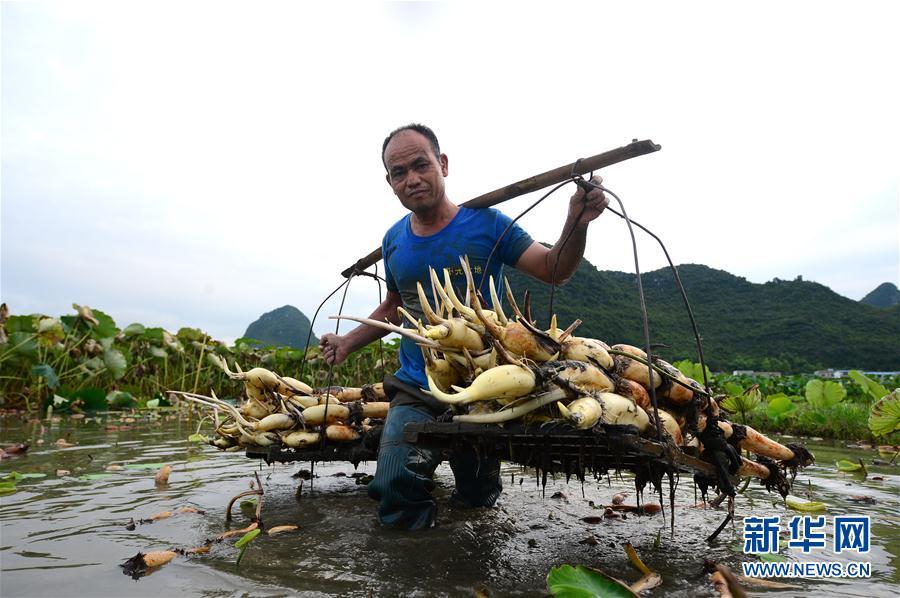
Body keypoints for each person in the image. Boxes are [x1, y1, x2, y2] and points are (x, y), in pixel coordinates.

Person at [319, 124, 608, 530]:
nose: (412, 179)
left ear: (443, 164)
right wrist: (348, 341)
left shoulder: (488, 225)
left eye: (421, 165)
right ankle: (413, 572)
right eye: (399, 173)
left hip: (482, 385)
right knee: (395, 483)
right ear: (390, 182)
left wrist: (577, 223)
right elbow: (396, 306)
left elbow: (554, 268)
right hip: (417, 383)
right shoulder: (394, 241)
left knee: (478, 497)